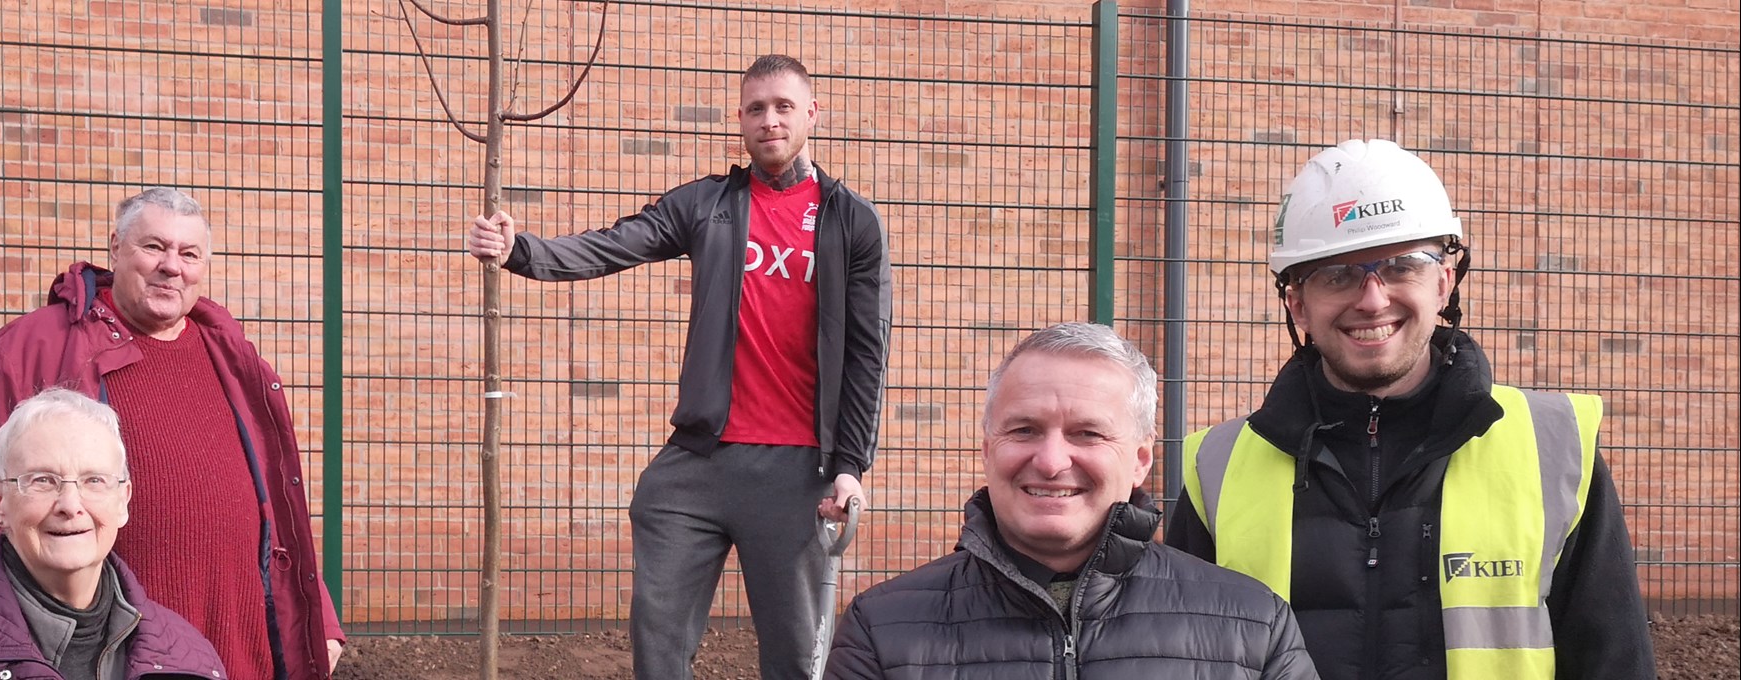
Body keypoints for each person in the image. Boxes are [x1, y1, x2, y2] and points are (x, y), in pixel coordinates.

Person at [464, 54, 891, 680]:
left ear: (811, 115)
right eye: (755, 109)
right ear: (740, 122)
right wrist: (520, 250)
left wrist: (851, 467)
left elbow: (865, 352)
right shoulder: (707, 205)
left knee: (796, 660)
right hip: (698, 462)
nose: (768, 120)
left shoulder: (850, 221)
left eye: (783, 107)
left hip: (798, 471)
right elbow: (615, 242)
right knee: (657, 644)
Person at [1165, 139, 1655, 679]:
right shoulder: (1218, 468)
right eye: (1338, 275)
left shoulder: (1554, 448)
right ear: (1298, 304)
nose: (1372, 299)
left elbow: (1613, 662)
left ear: (1444, 282)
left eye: (1402, 266)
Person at [0, 188, 344, 680]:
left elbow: (278, 509)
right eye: (153, 247)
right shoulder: (34, 348)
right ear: (116, 248)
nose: (171, 266)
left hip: (244, 656)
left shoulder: (233, 357)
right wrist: (8, 637)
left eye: (188, 254)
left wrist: (317, 616)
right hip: (107, 660)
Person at [825, 322, 1317, 679]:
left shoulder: (1254, 629)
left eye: (1087, 433)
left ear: (1140, 460)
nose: (1052, 460)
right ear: (987, 450)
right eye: (1024, 430)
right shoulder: (879, 634)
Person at [0, 388, 227, 680]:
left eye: (93, 480)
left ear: (123, 500)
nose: (70, 505)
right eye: (43, 480)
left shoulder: (189, 659)